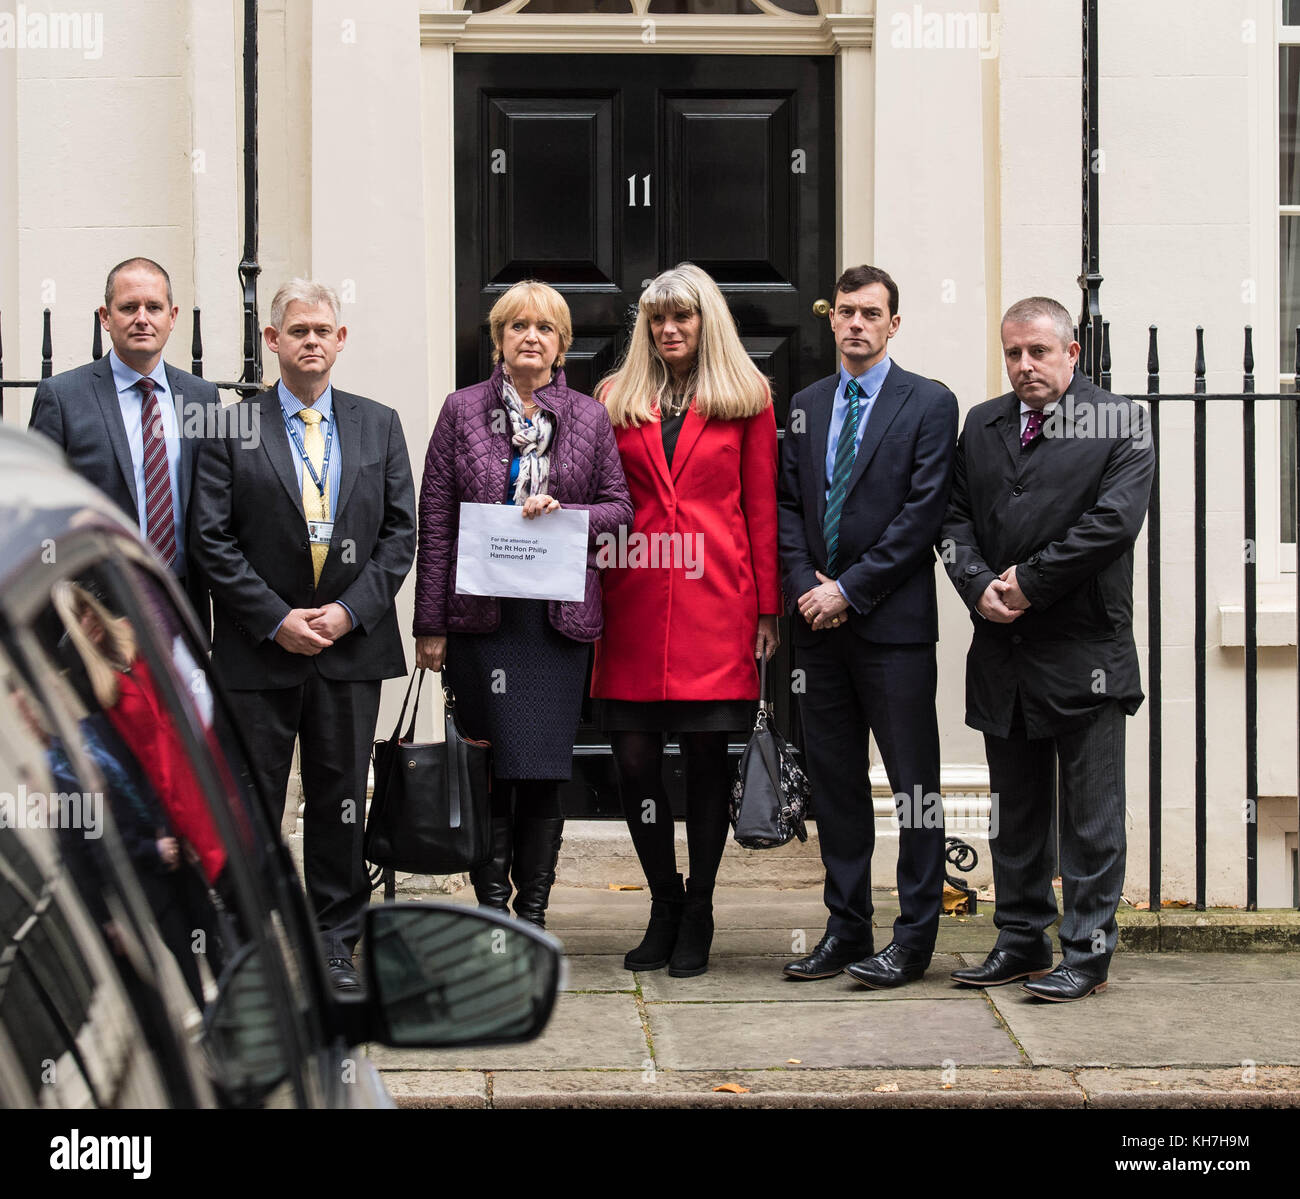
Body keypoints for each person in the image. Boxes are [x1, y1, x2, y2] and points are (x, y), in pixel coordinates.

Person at [190, 279, 416, 992]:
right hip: (260, 653)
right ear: (273, 341)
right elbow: (211, 539)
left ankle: (332, 941)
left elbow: (400, 533)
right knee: (251, 801)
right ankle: (246, 945)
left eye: (324, 329)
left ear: (340, 340)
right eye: (298, 330)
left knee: (340, 797)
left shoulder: (379, 424)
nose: (312, 340)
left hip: (350, 651)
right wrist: (275, 618)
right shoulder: (232, 427)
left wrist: (349, 612)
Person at [940, 297, 1154, 1002]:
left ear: (1072, 353)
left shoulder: (1121, 421)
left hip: (1084, 653)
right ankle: (1021, 937)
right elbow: (954, 517)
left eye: (1038, 352)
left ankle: (1086, 954)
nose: (1024, 365)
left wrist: (1029, 582)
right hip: (1003, 650)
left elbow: (1112, 523)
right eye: (1013, 353)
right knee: (1017, 811)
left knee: (1091, 819)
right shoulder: (983, 423)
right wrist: (975, 584)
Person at [413, 280, 632, 928]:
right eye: (517, 326)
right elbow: (436, 518)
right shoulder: (461, 411)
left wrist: (570, 513)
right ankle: (492, 912)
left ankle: (532, 915)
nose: (530, 336)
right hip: (484, 625)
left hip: (554, 629)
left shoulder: (589, 417)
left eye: (544, 327)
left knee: (540, 772)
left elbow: (622, 512)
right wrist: (431, 623)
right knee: (488, 770)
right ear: (499, 340)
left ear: (562, 344)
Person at [592, 262, 781, 978]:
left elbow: (760, 505)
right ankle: (662, 900)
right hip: (632, 596)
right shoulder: (614, 396)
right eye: (658, 319)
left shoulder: (747, 396)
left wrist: (767, 606)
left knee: (706, 762)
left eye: (684, 317)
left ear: (707, 322)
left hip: (716, 599)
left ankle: (700, 904)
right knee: (635, 760)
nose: (670, 330)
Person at [777, 264, 958, 988]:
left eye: (870, 313)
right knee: (838, 784)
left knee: (914, 785)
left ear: (894, 324)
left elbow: (923, 516)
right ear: (831, 319)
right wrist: (804, 589)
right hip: (819, 631)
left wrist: (849, 590)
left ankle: (914, 938)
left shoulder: (929, 402)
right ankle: (846, 928)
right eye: (845, 311)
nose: (856, 323)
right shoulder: (807, 403)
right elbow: (789, 507)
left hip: (894, 630)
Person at [28, 257, 218, 627]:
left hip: (182, 601)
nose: (142, 318)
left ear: (173, 316)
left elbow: (215, 500)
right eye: (128, 307)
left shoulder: (201, 397)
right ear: (105, 317)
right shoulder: (62, 397)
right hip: (93, 609)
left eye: (154, 307)